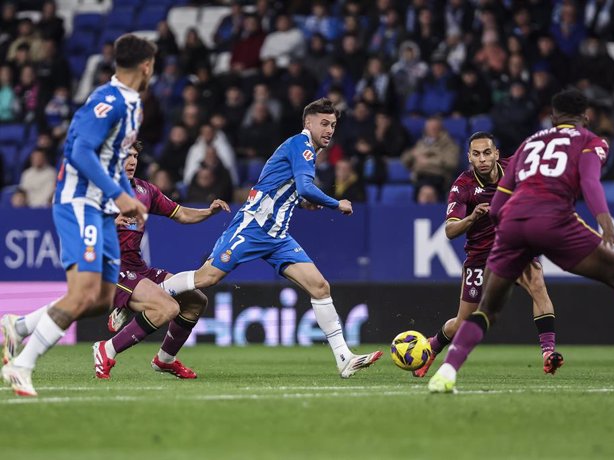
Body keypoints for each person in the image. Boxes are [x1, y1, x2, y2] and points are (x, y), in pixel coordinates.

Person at [428, 89, 614, 394]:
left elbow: (499, 206)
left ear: (553, 118)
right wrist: (604, 220)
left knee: (487, 310)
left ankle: (445, 374)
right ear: (586, 118)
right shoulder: (591, 141)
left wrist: (510, 242)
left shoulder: (529, 143)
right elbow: (590, 182)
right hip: (555, 220)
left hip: (512, 227)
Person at [156, 98, 382, 378]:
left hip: (277, 235)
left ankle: (344, 358)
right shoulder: (302, 146)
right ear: (307, 123)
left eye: (333, 125)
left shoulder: (303, 149)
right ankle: (143, 296)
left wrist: (303, 201)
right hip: (252, 227)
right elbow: (305, 186)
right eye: (323, 123)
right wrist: (337, 203)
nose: (329, 130)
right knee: (206, 278)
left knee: (320, 287)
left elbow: (288, 188)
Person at [1, 34, 155, 397]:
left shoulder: (133, 105)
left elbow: (110, 160)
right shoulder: (108, 99)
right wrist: (120, 194)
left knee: (100, 298)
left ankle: (16, 328)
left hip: (102, 208)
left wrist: (121, 198)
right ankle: (22, 366)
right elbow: (80, 152)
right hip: (78, 202)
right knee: (82, 292)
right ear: (146, 65)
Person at [414, 132, 562, 379]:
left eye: (486, 153)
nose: (482, 159)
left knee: (538, 285)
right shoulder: (463, 186)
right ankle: (432, 347)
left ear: (496, 153)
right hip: (480, 258)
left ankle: (548, 354)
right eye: (476, 154)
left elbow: (541, 150)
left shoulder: (513, 168)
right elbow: (450, 230)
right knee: (463, 323)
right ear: (469, 157)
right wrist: (472, 218)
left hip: (514, 248)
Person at [93, 141, 230, 379]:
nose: (132, 161)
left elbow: (181, 213)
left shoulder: (145, 191)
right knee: (167, 307)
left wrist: (209, 212)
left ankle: (165, 360)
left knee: (196, 301)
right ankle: (107, 349)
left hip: (136, 267)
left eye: (135, 156)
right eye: (126, 156)